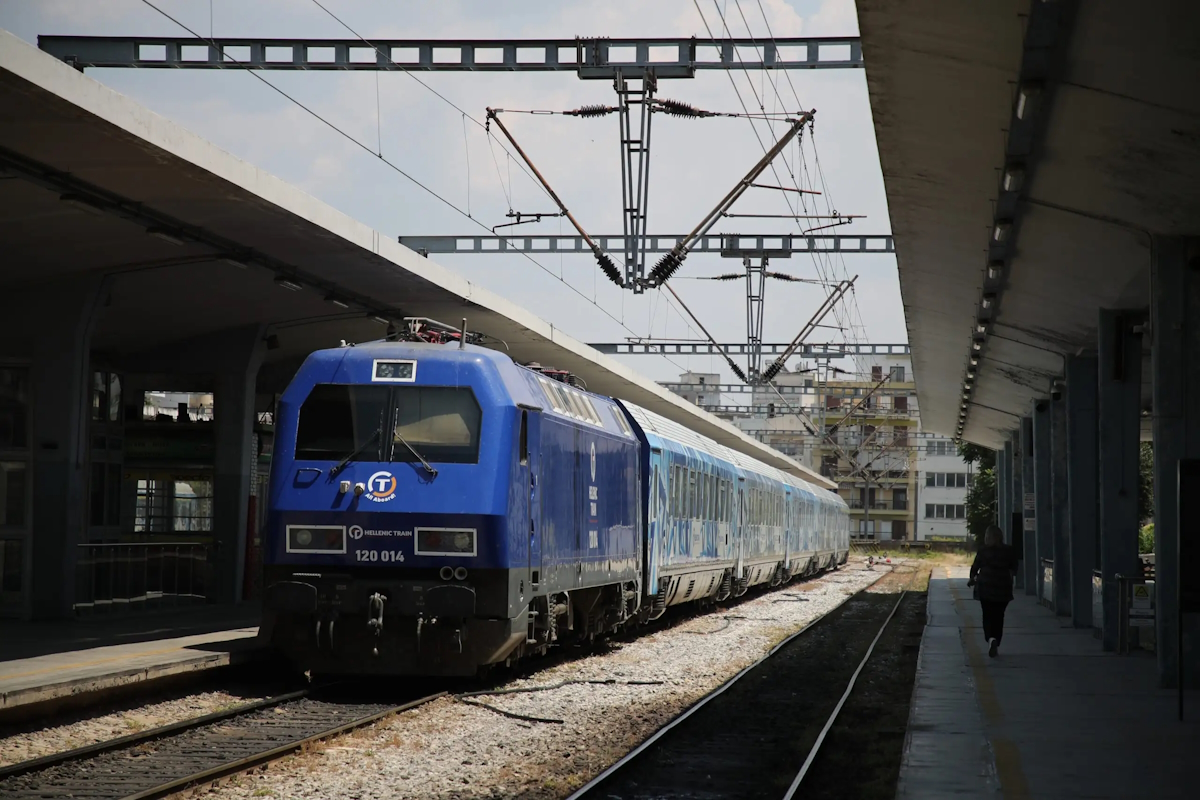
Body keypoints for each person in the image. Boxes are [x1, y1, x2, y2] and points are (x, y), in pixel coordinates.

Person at [968, 525, 1019, 658]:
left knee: (987, 615)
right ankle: (996, 638)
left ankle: (990, 638)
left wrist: (972, 578)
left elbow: (975, 567)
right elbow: (1014, 568)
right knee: (999, 616)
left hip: (985, 587)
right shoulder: (1009, 550)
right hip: (1003, 588)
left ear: (988, 537)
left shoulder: (983, 550)